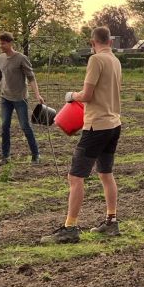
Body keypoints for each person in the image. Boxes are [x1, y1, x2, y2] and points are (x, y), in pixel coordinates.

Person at [41, 26, 122, 244]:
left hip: (96, 126)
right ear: (110, 42)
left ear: (92, 42)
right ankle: (112, 222)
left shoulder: (96, 61)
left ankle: (70, 228)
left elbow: (86, 95)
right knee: (106, 173)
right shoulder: (115, 60)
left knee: (75, 177)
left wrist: (71, 95)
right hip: (114, 124)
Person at [0, 32, 44, 165]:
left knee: (25, 126)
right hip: (5, 98)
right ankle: (5, 157)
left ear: (10, 43)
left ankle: (36, 155)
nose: (1, 46)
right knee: (4, 126)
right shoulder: (0, 59)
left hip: (20, 98)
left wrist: (37, 94)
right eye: (0, 43)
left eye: (3, 43)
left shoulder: (21, 58)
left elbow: (31, 78)